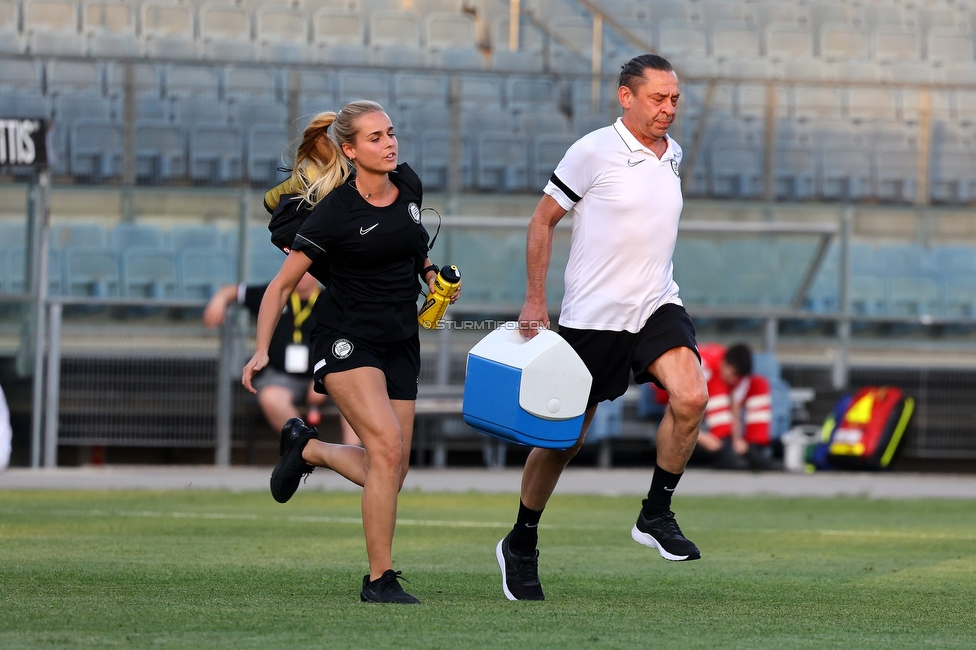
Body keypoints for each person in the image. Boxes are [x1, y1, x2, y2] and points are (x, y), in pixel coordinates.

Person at [497, 54, 708, 601]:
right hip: (593, 318)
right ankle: (520, 541)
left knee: (691, 397)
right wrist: (536, 300)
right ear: (626, 96)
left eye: (675, 99)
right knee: (564, 441)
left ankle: (656, 514)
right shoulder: (592, 149)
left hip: (657, 306)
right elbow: (542, 220)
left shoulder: (674, 154)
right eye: (658, 98)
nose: (669, 109)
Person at [242, 101, 458, 605]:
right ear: (350, 150)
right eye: (376, 137)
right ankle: (379, 580)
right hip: (345, 338)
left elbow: (413, 244)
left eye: (391, 133)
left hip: (401, 339)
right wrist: (258, 352)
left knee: (392, 469)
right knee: (384, 451)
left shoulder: (408, 185)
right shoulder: (335, 212)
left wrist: (432, 276)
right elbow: (280, 287)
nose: (389, 143)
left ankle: (308, 449)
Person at [203, 273, 360, 446]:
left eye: (308, 270)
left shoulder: (332, 301)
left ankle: (353, 456)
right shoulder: (274, 294)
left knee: (357, 396)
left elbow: (345, 346)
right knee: (271, 397)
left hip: (326, 372)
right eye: (299, 269)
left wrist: (322, 379)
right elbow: (234, 290)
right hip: (281, 376)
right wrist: (219, 299)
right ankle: (307, 449)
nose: (303, 275)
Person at [692, 342, 776, 470]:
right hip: (675, 393)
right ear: (724, 363)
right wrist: (699, 436)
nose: (734, 381)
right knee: (717, 386)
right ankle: (723, 446)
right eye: (732, 374)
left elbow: (734, 408)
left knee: (759, 385)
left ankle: (755, 446)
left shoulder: (736, 378)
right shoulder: (704, 368)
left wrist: (737, 441)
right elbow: (674, 405)